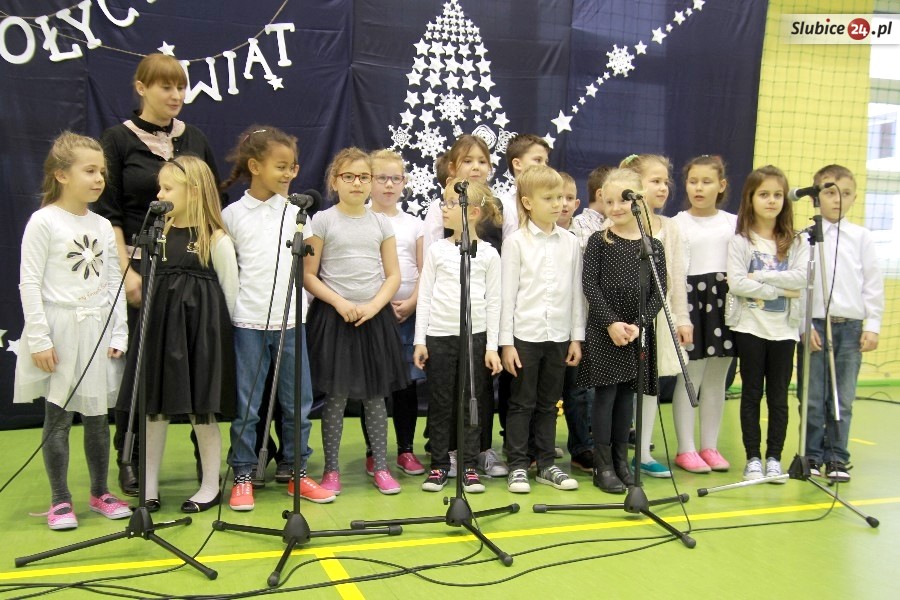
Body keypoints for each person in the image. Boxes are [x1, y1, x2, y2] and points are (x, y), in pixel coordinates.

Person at [94, 53, 220, 496]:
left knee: (195, 366)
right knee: (141, 369)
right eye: (166, 86)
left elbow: (211, 203)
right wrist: (127, 269)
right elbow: (108, 210)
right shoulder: (118, 140)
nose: (175, 95)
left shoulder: (194, 138)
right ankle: (130, 457)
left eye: (181, 87)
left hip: (188, 266)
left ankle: (206, 465)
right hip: (137, 262)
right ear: (141, 87)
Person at [15, 132, 131, 530]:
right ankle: (60, 500)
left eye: (102, 172)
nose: (99, 179)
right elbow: (30, 283)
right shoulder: (44, 221)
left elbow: (114, 281)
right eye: (89, 171)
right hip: (60, 329)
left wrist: (119, 332)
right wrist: (39, 338)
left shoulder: (102, 224)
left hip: (97, 329)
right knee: (59, 416)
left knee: (98, 416)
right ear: (62, 174)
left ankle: (100, 492)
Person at [221, 126, 334, 510]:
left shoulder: (297, 214)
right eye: (280, 166)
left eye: (293, 167)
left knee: (297, 402)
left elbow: (306, 269)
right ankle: (243, 474)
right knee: (247, 406)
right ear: (255, 166)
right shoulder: (232, 215)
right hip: (248, 323)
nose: (288, 174)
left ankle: (297, 470)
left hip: (291, 322)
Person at [135, 156, 238, 513]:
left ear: (193, 191)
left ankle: (210, 485)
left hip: (201, 337)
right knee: (153, 412)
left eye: (167, 188)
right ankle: (149, 487)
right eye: (160, 188)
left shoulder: (216, 239)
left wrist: (221, 344)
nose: (160, 195)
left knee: (202, 413)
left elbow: (231, 294)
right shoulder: (158, 234)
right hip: (161, 334)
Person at [304, 147, 409, 496]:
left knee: (375, 398)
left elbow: (393, 274)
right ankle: (331, 470)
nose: (357, 183)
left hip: (373, 318)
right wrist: (339, 302)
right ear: (335, 181)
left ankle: (381, 466)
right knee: (335, 398)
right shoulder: (322, 221)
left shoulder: (380, 222)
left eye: (364, 177)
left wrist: (375, 305)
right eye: (348, 176)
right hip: (334, 319)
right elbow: (309, 275)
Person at [422, 135, 507, 478]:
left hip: (479, 327)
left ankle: (475, 455)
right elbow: (429, 282)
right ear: (453, 167)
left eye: (482, 161)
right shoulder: (439, 238)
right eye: (468, 161)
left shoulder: (490, 243)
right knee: (443, 396)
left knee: (477, 394)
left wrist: (493, 342)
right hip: (442, 327)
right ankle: (443, 458)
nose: (475, 167)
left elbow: (495, 293)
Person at [578, 169, 666, 493]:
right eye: (609, 201)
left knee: (627, 397)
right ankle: (602, 466)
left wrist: (639, 325)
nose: (615, 207)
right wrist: (611, 323)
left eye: (623, 201)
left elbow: (660, 291)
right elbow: (590, 286)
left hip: (635, 331)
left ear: (638, 201)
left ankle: (621, 462)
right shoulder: (599, 241)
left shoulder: (652, 246)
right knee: (606, 397)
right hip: (606, 330)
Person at [501, 165, 584, 493]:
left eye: (561, 197)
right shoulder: (516, 242)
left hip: (559, 335)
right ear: (528, 202)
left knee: (550, 404)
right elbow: (507, 295)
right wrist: (506, 343)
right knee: (522, 402)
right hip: (525, 335)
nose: (558, 204)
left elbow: (576, 292)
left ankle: (547, 464)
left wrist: (576, 337)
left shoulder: (571, 243)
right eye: (548, 198)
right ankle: (518, 464)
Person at [798, 165, 883, 482]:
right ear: (816, 197)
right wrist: (803, 325)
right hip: (816, 326)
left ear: (855, 198)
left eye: (845, 194)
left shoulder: (862, 238)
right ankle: (811, 455)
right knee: (812, 398)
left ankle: (837, 457)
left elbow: (872, 284)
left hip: (850, 328)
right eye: (831, 193)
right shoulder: (805, 238)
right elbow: (799, 286)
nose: (837, 199)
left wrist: (872, 324)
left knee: (842, 398)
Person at [727, 165, 808, 482]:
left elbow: (801, 279)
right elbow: (736, 283)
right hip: (750, 328)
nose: (771, 200)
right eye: (764, 194)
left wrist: (759, 276)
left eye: (777, 195)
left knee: (778, 396)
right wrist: (781, 289)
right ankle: (753, 458)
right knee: (751, 394)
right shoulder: (741, 241)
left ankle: (774, 458)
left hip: (784, 330)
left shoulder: (797, 241)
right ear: (751, 198)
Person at [621, 154, 692, 478]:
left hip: (658, 317)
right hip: (625, 320)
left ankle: (644, 450)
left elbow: (676, 277)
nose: (663, 187)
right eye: (655, 181)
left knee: (650, 383)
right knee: (622, 386)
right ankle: (616, 449)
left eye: (665, 181)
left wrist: (682, 318)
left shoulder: (671, 228)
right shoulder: (621, 223)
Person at [362, 149, 426, 478]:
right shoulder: (361, 220)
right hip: (373, 314)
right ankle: (374, 452)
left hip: (406, 316)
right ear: (369, 181)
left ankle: (405, 449)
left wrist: (413, 301)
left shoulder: (414, 225)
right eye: (381, 178)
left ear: (404, 182)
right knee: (373, 387)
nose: (389, 185)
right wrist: (377, 302)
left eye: (395, 178)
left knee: (406, 386)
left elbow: (424, 269)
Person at [670, 155, 737, 474]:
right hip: (691, 306)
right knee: (690, 378)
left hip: (724, 305)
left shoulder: (733, 223)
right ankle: (686, 448)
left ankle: (710, 446)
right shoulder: (677, 223)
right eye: (693, 181)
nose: (699, 188)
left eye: (707, 182)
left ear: (721, 185)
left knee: (716, 380)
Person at [557, 172, 595, 473]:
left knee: (579, 391)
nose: (563, 204)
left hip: (577, 325)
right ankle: (537, 447)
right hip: (541, 326)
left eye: (569, 198)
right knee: (542, 394)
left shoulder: (585, 238)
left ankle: (582, 448)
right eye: (557, 198)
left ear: (577, 203)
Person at [570, 165, 610, 250]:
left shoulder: (612, 222)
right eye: (612, 199)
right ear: (600, 194)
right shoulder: (580, 222)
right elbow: (586, 254)